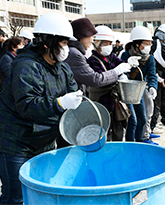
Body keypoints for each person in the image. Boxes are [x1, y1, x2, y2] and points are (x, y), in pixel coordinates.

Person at [0, 13, 83, 204]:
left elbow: (73, 95)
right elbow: (27, 106)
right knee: (16, 196)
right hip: (16, 142)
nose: (66, 49)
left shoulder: (62, 68)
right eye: (62, 43)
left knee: (39, 192)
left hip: (44, 141)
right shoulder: (26, 65)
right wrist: (60, 104)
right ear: (46, 42)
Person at [87, 25, 131, 142]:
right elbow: (101, 78)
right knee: (104, 130)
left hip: (114, 100)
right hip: (101, 100)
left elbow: (120, 63)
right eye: (105, 43)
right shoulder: (92, 60)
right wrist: (117, 73)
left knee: (118, 129)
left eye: (110, 43)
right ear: (97, 43)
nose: (108, 46)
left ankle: (117, 153)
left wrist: (124, 70)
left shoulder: (111, 56)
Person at [121, 26, 158, 143]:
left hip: (139, 91)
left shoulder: (150, 58)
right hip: (127, 91)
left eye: (150, 44)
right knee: (133, 120)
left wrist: (153, 86)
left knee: (142, 119)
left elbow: (152, 75)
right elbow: (122, 74)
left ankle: (140, 141)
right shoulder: (125, 55)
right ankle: (130, 144)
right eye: (146, 44)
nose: (148, 47)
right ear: (137, 44)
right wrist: (128, 66)